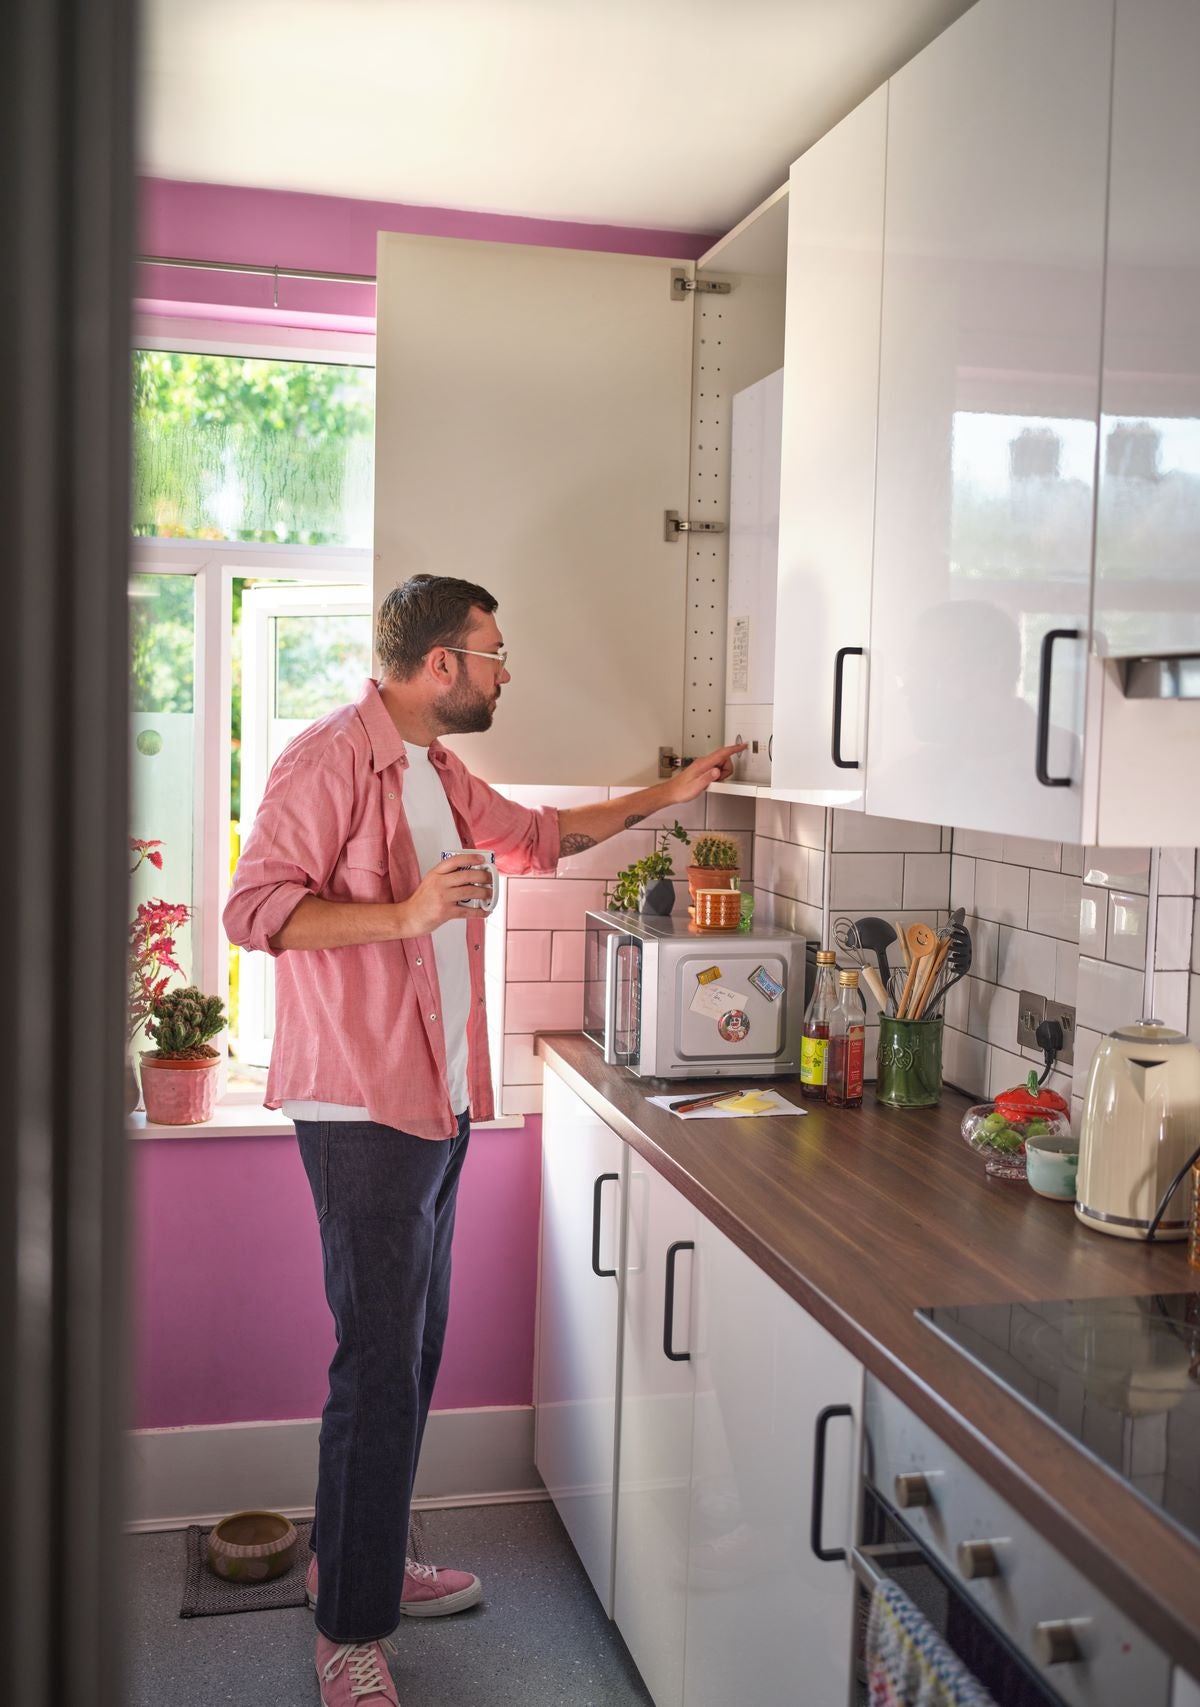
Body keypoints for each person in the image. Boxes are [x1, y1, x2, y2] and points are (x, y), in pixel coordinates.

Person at [223, 573, 743, 1707]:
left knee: (408, 1355)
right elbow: (253, 909)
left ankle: (359, 1561)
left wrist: (677, 786)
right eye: (495, 652)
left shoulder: (436, 771)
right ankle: (347, 1631)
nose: (507, 671)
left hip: (436, 1100)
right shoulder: (325, 762)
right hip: (360, 1106)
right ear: (442, 664)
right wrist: (408, 913)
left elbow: (541, 836)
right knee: (375, 1365)